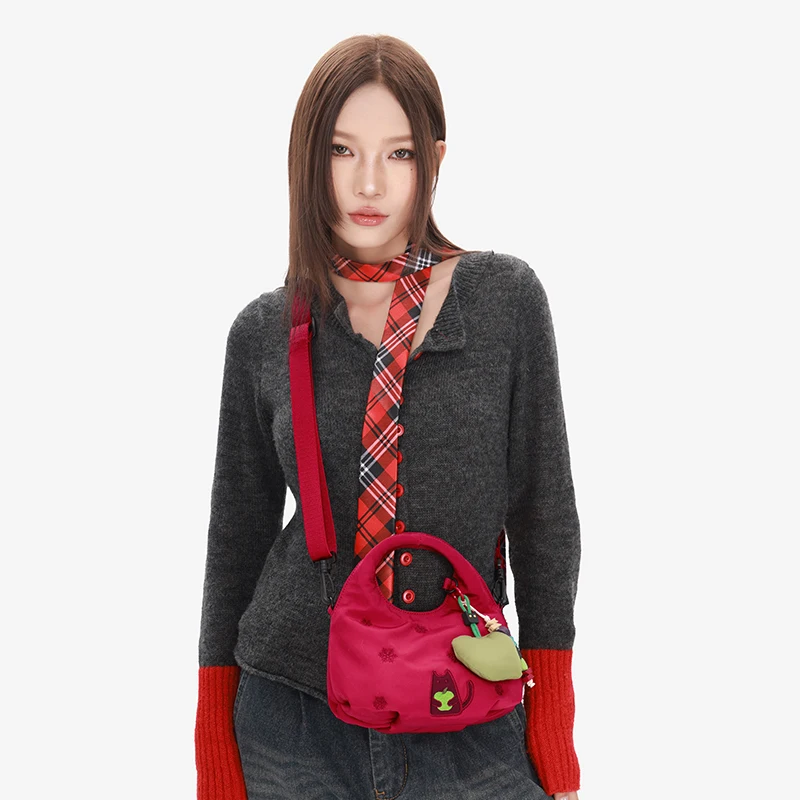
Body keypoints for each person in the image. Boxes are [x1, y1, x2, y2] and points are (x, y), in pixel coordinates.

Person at [195, 34, 582, 800]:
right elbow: (234, 541)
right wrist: (213, 745)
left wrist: (553, 724)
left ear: (434, 161)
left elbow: (545, 517)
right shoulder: (264, 331)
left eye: (398, 154)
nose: (368, 182)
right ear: (308, 159)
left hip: (467, 706)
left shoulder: (505, 302)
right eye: (342, 150)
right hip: (292, 718)